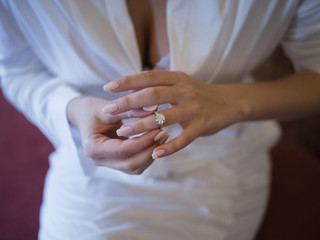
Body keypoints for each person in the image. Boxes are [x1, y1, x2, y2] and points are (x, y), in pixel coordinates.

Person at [1, 0, 320, 239]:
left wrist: (230, 103)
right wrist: (73, 110)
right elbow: (15, 68)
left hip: (221, 161)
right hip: (90, 162)